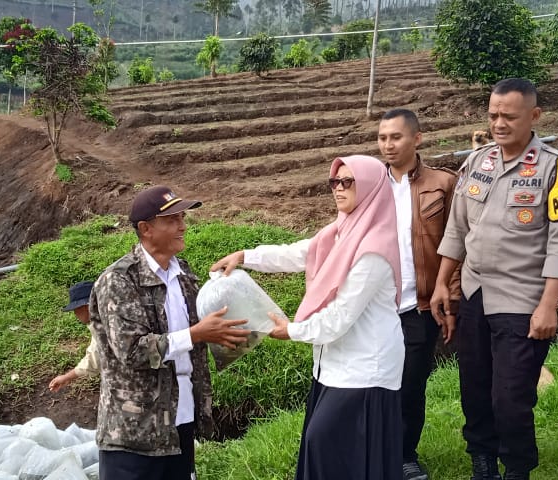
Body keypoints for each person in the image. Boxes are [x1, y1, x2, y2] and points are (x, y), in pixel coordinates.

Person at [212, 155, 405, 480]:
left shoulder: (373, 249)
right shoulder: (340, 233)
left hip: (365, 369)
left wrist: (293, 330)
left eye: (348, 182)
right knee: (331, 447)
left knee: (326, 441)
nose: (338, 189)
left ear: (371, 188)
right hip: (333, 365)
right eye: (334, 182)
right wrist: (245, 256)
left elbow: (340, 316)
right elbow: (298, 252)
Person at [430, 78, 558, 480]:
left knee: (511, 397)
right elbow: (456, 229)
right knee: (475, 388)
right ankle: (482, 462)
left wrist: (548, 306)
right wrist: (442, 285)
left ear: (534, 116)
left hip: (523, 299)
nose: (499, 123)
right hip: (474, 291)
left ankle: (517, 468)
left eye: (509, 116)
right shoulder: (477, 160)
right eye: (493, 115)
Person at [90, 185, 250, 480]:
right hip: (135, 430)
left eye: (182, 218)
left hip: (180, 418)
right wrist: (197, 334)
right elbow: (132, 350)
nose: (183, 226)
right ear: (146, 228)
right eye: (172, 220)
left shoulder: (184, 275)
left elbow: (199, 333)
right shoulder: (118, 281)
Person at [378, 108, 461, 480]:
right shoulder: (369, 185)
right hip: (376, 307)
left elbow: (458, 243)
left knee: (411, 385)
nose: (388, 145)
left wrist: (451, 297)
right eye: (382, 138)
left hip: (419, 305)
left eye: (395, 137)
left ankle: (405, 454)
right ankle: (374, 451)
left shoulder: (443, 184)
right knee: (375, 384)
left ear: (417, 139)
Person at [48, 281, 102, 392]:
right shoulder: (100, 322)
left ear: (86, 306)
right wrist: (67, 377)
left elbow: (95, 359)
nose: (75, 314)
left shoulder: (103, 327)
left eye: (76, 309)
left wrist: (67, 377)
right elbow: (94, 356)